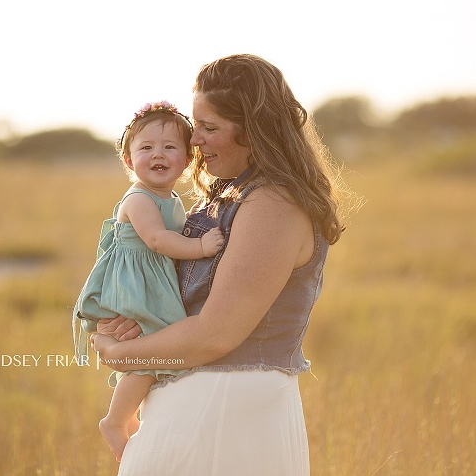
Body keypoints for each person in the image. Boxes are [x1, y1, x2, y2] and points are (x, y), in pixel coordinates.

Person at [91, 54, 352, 475]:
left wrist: (122, 354)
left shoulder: (272, 204)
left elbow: (216, 335)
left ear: (255, 130)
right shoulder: (228, 196)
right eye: (197, 127)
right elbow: (181, 302)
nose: (195, 141)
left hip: (230, 413)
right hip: (195, 410)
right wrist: (130, 319)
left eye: (210, 128)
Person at [73, 100, 225, 462]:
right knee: (151, 350)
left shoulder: (169, 197)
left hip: (150, 283)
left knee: (157, 348)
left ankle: (138, 418)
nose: (158, 154)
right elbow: (157, 240)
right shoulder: (139, 198)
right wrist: (201, 246)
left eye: (170, 147)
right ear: (128, 161)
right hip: (135, 286)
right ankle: (115, 420)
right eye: (146, 148)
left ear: (187, 159)